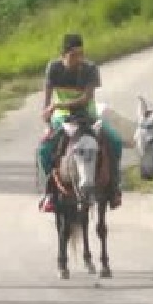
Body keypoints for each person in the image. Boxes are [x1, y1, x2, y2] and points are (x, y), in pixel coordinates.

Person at [38, 33, 123, 212]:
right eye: (74, 55)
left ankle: (114, 188)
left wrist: (57, 104)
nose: (78, 59)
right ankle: (50, 192)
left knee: (115, 141)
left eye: (81, 54)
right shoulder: (53, 68)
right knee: (44, 149)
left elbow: (86, 98)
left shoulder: (90, 68)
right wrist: (47, 120)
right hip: (62, 117)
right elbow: (47, 100)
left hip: (87, 115)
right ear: (64, 55)